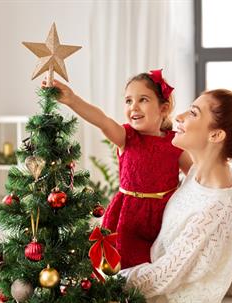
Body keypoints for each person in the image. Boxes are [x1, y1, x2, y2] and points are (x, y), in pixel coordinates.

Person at [119, 89, 232, 302]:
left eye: (193, 113)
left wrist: (104, 280)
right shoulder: (202, 170)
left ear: (216, 135)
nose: (179, 117)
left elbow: (162, 275)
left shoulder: (214, 206)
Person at [52, 69, 193, 269]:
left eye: (143, 99)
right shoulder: (126, 137)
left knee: (157, 270)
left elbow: (199, 178)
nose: (134, 106)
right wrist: (72, 100)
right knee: (121, 270)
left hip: (164, 218)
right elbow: (102, 120)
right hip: (126, 218)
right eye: (128, 101)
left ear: (164, 108)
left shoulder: (176, 144)